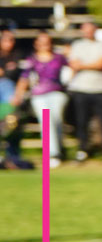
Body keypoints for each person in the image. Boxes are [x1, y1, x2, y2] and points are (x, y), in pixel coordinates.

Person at [64, 20, 102, 161]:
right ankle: (80, 151)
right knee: (81, 122)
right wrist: (91, 65)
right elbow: (74, 64)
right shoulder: (77, 45)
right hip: (79, 89)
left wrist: (83, 65)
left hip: (101, 89)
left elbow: (101, 64)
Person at [16, 32, 69, 166]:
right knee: (46, 121)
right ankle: (51, 154)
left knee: (56, 122)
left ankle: (59, 151)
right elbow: (24, 78)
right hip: (39, 95)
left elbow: (71, 69)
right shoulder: (32, 60)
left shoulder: (59, 58)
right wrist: (18, 94)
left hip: (57, 93)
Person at [0, 28, 29, 169]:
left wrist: (17, 95)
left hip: (12, 100)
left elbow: (24, 78)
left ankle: (13, 157)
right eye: (5, 39)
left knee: (13, 124)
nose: (9, 43)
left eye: (11, 40)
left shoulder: (18, 56)